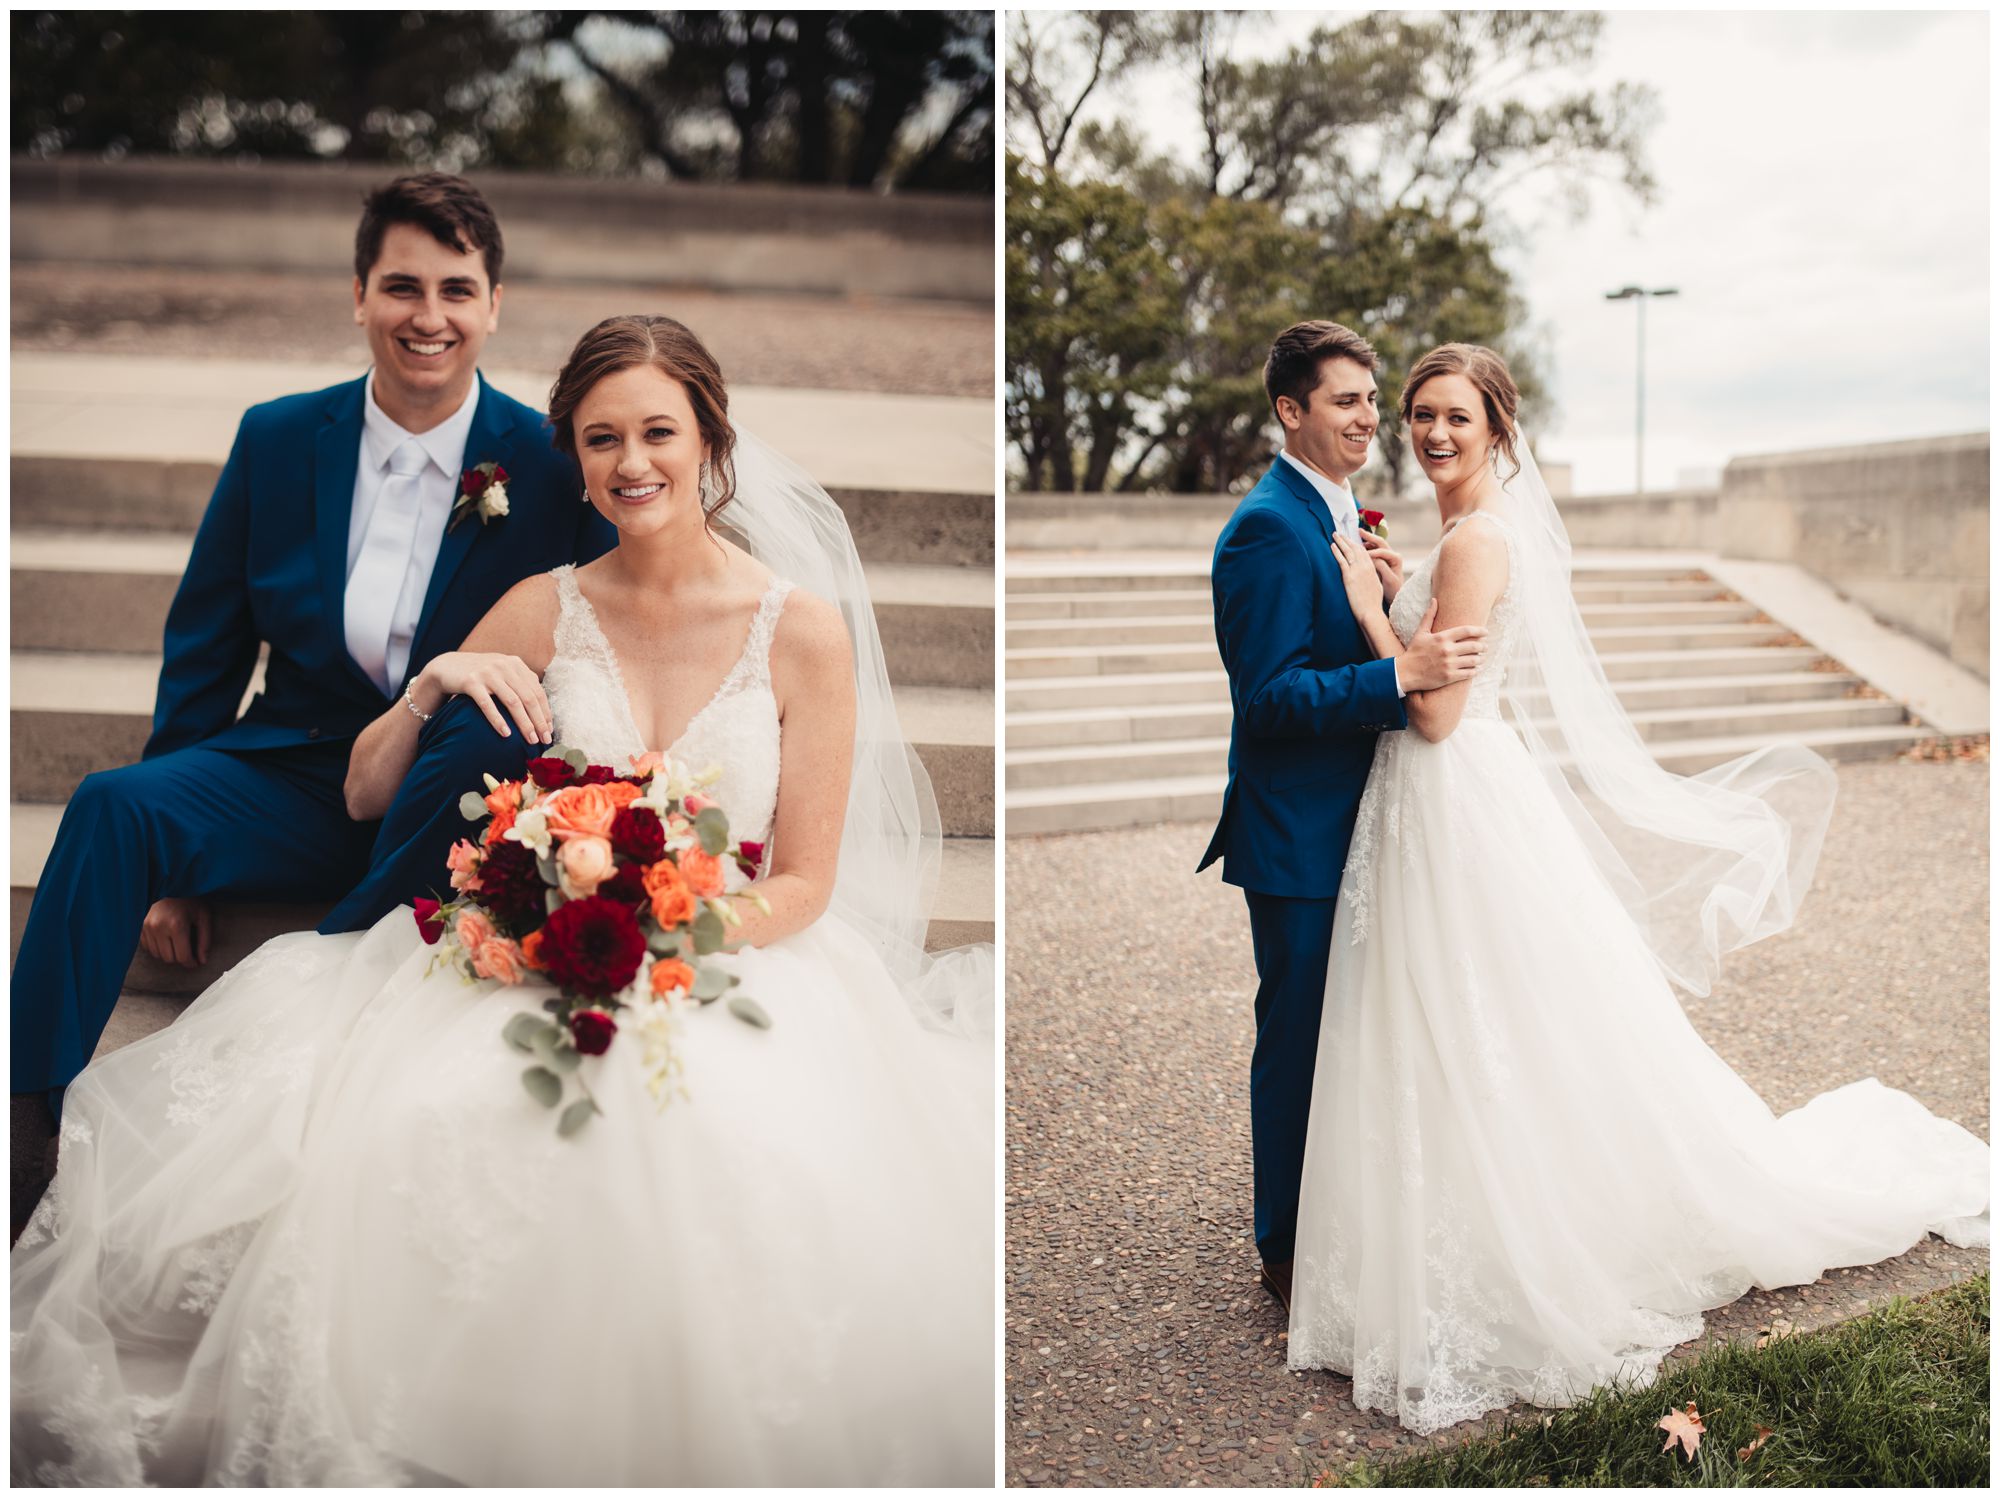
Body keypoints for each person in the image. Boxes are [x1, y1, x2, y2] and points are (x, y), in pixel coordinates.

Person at [10, 316, 995, 1486]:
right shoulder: (544, 602)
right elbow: (372, 794)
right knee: (427, 1128)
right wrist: (431, 685)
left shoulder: (802, 632)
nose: (632, 462)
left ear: (711, 439)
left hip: (721, 951)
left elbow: (805, 882)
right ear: (572, 462)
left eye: (657, 432)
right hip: (534, 944)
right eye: (600, 438)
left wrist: (658, 923)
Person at [1285, 342, 1989, 1434]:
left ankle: (1502, 1234)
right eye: (1418, 414)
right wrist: (1397, 587)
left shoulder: (1477, 537)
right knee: (1461, 1023)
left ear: (1497, 432)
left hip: (1446, 788)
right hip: (1441, 802)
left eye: (1453, 419)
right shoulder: (1464, 532)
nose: (1428, 433)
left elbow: (1431, 711)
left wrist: (1366, 609)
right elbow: (1446, 645)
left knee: (1469, 1022)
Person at [8, 172, 616, 1135]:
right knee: (112, 805)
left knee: (486, 718)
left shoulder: (547, 463)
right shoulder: (279, 437)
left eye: (457, 290)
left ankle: (315, 982)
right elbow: (206, 645)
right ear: (360, 293)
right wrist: (179, 872)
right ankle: (26, 1110)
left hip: (453, 790)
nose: (430, 316)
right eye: (402, 286)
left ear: (495, 306)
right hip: (293, 769)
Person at [1196, 321, 1487, 1312]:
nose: (1371, 418)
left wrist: (1392, 606)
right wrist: (1395, 670)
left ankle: (1345, 1219)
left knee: (1359, 1039)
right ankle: (1284, 1250)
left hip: (1366, 822)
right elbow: (1268, 699)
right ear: (1289, 411)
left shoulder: (1338, 514)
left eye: (1373, 399)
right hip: (1299, 837)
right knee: (1300, 1041)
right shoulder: (1265, 528)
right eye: (1346, 401)